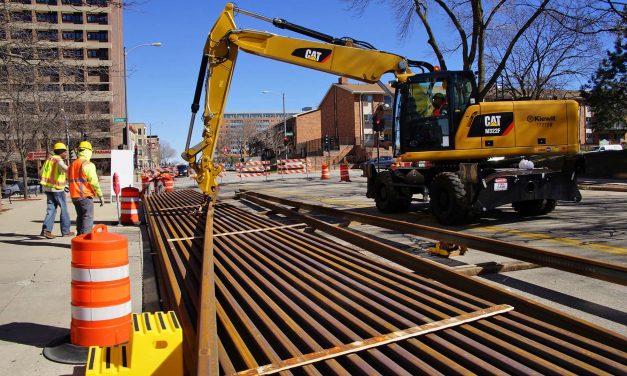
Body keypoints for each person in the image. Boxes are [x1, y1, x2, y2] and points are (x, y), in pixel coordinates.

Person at [68, 141, 104, 234]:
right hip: (84, 195)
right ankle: (85, 240)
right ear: (88, 151)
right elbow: (94, 182)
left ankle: (79, 239)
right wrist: (100, 195)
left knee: (80, 217)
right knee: (87, 218)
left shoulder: (73, 164)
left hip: (74, 196)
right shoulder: (88, 164)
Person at [40, 143, 75, 239]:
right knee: (64, 210)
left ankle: (46, 230)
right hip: (57, 189)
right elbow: (67, 169)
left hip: (48, 188)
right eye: (65, 151)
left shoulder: (49, 159)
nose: (66, 153)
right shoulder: (58, 160)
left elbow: (41, 172)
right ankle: (66, 231)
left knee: (51, 209)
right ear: (61, 152)